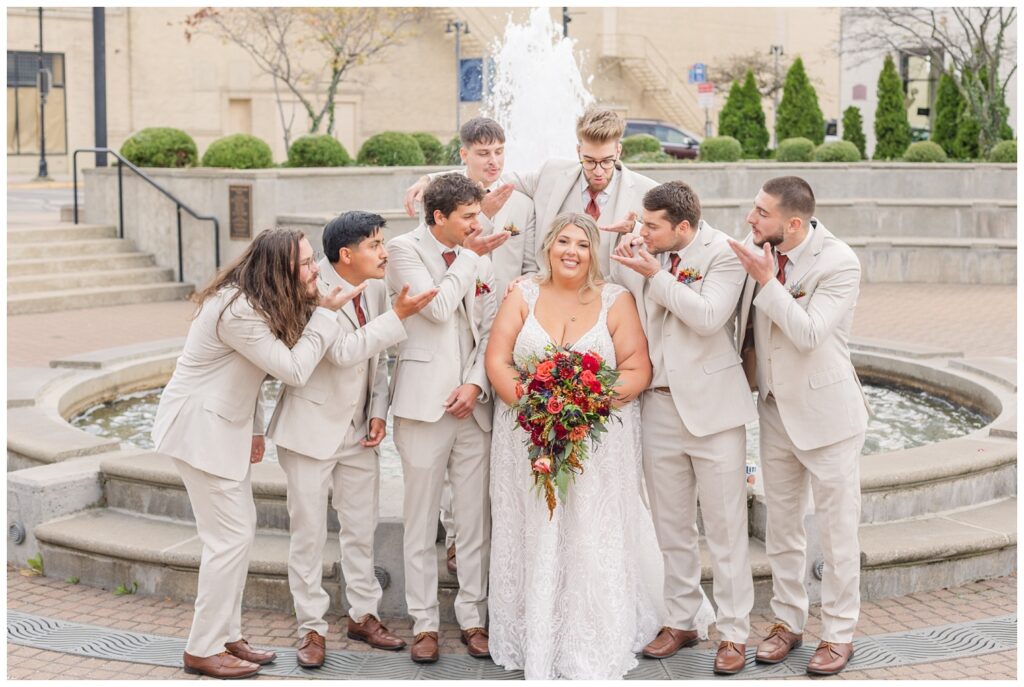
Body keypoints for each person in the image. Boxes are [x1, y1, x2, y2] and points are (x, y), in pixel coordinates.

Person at [151, 228, 357, 679]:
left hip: (224, 430)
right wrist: (323, 316)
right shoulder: (237, 309)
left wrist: (255, 428)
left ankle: (227, 635)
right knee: (229, 540)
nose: (313, 269)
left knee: (235, 537)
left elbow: (248, 372)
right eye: (304, 263)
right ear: (278, 269)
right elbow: (292, 370)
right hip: (200, 433)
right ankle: (202, 648)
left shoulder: (254, 299)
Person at [484, 212, 663, 680]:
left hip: (596, 441)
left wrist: (582, 404)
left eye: (582, 245)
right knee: (535, 527)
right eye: (564, 241)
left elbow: (636, 369)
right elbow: (498, 359)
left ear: (594, 253)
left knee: (589, 528)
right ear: (547, 246)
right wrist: (537, 407)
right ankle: (535, 630)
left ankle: (592, 630)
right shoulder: (522, 295)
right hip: (528, 436)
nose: (572, 251)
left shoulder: (615, 300)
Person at [265, 212, 438, 668]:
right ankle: (311, 628)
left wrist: (378, 411)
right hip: (309, 432)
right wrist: (399, 316)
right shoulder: (308, 289)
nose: (385, 252)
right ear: (347, 255)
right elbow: (341, 353)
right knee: (307, 535)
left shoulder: (378, 288)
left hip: (359, 433)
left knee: (360, 532)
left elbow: (376, 356)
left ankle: (363, 615)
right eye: (376, 244)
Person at [610, 181, 756, 675]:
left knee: (725, 529)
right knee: (670, 526)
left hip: (714, 413)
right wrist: (628, 253)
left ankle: (734, 631)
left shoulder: (725, 254)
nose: (643, 232)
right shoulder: (649, 251)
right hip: (657, 407)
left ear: (684, 227)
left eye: (652, 226)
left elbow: (710, 317)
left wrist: (655, 274)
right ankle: (680, 619)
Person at [729, 176, 870, 676]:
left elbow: (808, 334)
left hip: (828, 418)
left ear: (791, 223)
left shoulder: (840, 262)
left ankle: (838, 634)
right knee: (783, 530)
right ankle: (788, 622)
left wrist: (767, 282)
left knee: (836, 533)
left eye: (760, 213)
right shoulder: (758, 245)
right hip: (774, 411)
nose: (750, 219)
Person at [385, 173, 506, 664]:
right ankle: (424, 624)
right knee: (419, 522)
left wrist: (476, 383)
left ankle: (473, 619)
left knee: (475, 523)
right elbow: (434, 311)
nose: (479, 224)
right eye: (469, 217)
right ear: (438, 218)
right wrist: (474, 257)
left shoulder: (481, 256)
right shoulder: (401, 250)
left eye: (479, 215)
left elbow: (494, 329)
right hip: (421, 407)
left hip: (472, 407)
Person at [426, 117, 537, 577]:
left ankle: (494, 538)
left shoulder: (524, 205)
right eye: (482, 153)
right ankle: (455, 539)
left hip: (507, 325)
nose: (492, 161)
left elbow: (531, 264)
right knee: (459, 441)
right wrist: (483, 212)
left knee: (493, 443)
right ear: (464, 155)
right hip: (457, 328)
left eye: (498, 152)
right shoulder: (444, 198)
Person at [406, 106, 657, 275]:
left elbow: (680, 231)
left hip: (615, 306)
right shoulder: (552, 174)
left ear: (619, 152)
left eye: (607, 161)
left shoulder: (647, 192)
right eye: (589, 161)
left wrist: (636, 231)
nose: (599, 170)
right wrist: (431, 180)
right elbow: (491, 181)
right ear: (578, 151)